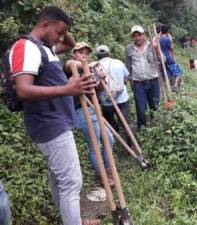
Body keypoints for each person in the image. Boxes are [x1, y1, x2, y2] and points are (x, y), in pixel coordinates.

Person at [10, 6, 100, 225]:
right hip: (49, 125)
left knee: (60, 181)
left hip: (56, 122)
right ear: (44, 25)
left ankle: (73, 220)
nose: (61, 37)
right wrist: (67, 89)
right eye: (58, 32)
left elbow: (70, 43)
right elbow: (23, 90)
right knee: (71, 182)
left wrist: (61, 25)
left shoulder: (45, 48)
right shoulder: (26, 47)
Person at [64, 42, 115, 188]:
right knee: (95, 145)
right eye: (81, 52)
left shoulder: (89, 69)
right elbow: (69, 64)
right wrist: (88, 65)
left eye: (87, 53)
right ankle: (103, 176)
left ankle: (107, 169)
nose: (84, 55)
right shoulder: (69, 67)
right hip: (82, 110)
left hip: (95, 108)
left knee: (110, 140)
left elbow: (98, 89)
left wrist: (101, 78)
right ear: (74, 53)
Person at [95, 45, 134, 148]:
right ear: (109, 54)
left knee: (110, 122)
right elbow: (126, 77)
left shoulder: (95, 67)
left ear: (97, 56)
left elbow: (97, 87)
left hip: (106, 101)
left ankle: (115, 139)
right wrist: (120, 86)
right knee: (126, 123)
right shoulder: (118, 62)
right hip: (122, 99)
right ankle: (131, 145)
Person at [125, 25, 160, 130]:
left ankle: (156, 128)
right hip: (138, 84)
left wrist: (157, 48)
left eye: (139, 35)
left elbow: (163, 59)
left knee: (155, 106)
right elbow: (128, 66)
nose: (137, 38)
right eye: (134, 36)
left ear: (143, 35)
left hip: (153, 81)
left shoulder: (152, 46)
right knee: (140, 109)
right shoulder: (129, 49)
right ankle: (142, 130)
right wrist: (131, 82)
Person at [158, 25, 183, 91]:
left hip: (162, 59)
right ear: (167, 31)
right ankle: (175, 86)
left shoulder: (159, 39)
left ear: (161, 31)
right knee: (178, 72)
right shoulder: (167, 39)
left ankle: (168, 87)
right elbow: (171, 48)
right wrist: (173, 57)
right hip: (168, 58)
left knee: (168, 72)